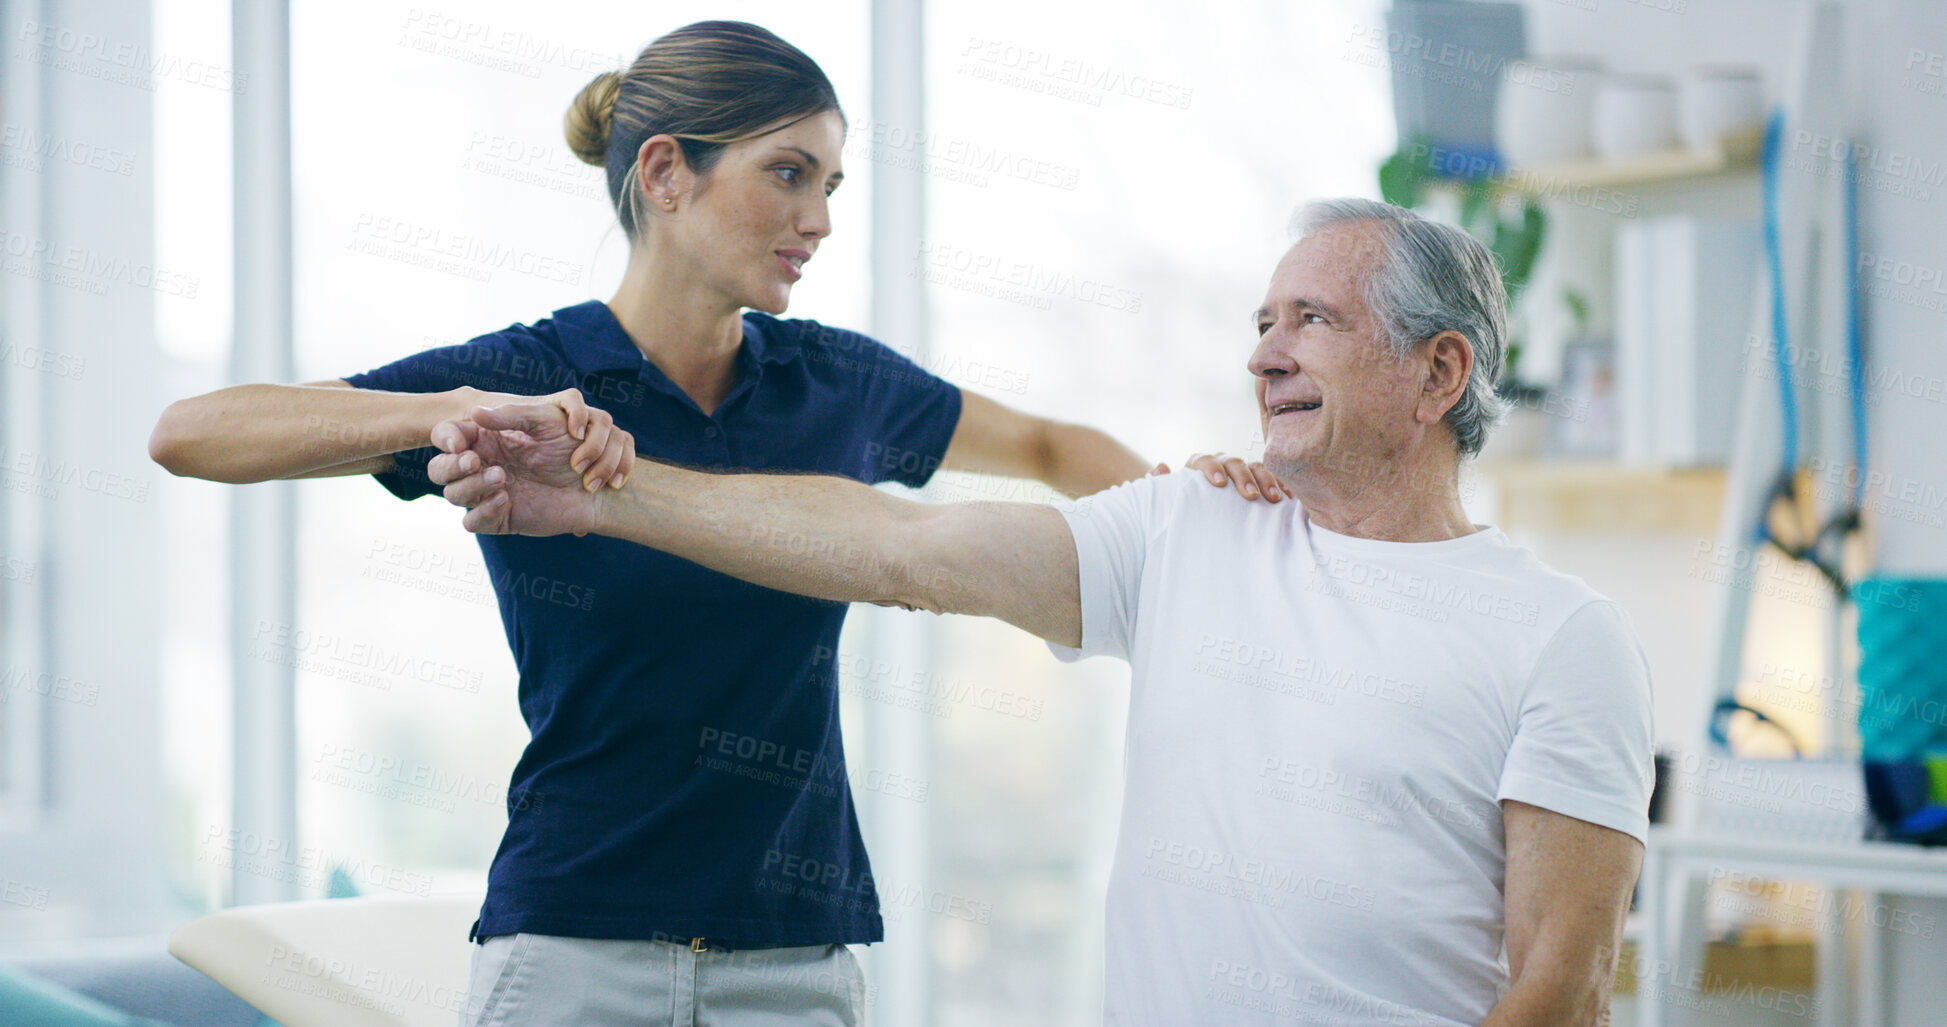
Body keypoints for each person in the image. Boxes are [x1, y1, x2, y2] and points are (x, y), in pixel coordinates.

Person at [147, 20, 1278, 1026]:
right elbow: (191, 433)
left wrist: (1188, 513)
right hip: (571, 950)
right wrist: (448, 409)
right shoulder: (529, 379)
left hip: (795, 961)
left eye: (832, 183)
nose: (820, 218)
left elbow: (1048, 447)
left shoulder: (834, 384)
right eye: (790, 174)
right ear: (665, 173)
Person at [427, 198, 1658, 1027]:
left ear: (1438, 373)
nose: (1265, 355)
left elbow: (1564, 980)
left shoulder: (1558, 637)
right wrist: (610, 496)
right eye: (1263, 323)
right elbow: (901, 545)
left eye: (1315, 323)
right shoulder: (1187, 530)